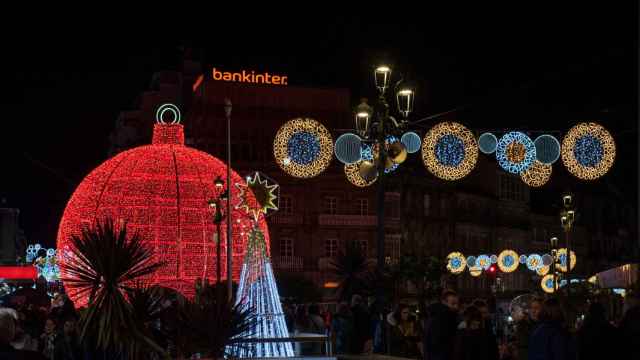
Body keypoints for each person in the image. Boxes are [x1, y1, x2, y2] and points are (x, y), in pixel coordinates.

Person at [423, 289, 460, 360]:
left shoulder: (435, 316)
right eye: (453, 303)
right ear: (444, 302)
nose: (456, 307)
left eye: (457, 304)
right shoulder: (444, 318)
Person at [618, 294, 640, 359]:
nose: (629, 303)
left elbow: (623, 327)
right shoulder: (630, 312)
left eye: (630, 302)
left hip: (632, 341)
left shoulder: (630, 312)